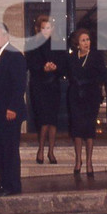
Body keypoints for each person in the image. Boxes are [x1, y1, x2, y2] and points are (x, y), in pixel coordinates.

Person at [0, 22, 27, 197]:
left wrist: (13, 107)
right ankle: (4, 181)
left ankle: (12, 184)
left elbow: (19, 85)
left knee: (9, 149)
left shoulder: (14, 55)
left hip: (9, 113)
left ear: (6, 36)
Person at [26, 15, 66, 165]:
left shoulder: (58, 44)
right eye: (43, 28)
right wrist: (43, 67)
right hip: (39, 86)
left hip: (53, 85)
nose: (46, 31)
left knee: (53, 120)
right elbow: (30, 63)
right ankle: (41, 150)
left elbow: (63, 64)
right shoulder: (33, 43)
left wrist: (56, 68)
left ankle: (51, 151)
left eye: (48, 28)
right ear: (38, 28)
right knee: (44, 120)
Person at [67, 28, 106, 177]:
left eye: (88, 40)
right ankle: (78, 160)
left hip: (91, 95)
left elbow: (102, 75)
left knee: (89, 129)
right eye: (83, 40)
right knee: (77, 128)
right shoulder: (71, 58)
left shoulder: (96, 56)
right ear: (77, 43)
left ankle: (89, 162)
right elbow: (68, 73)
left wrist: (88, 81)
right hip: (76, 96)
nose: (86, 43)